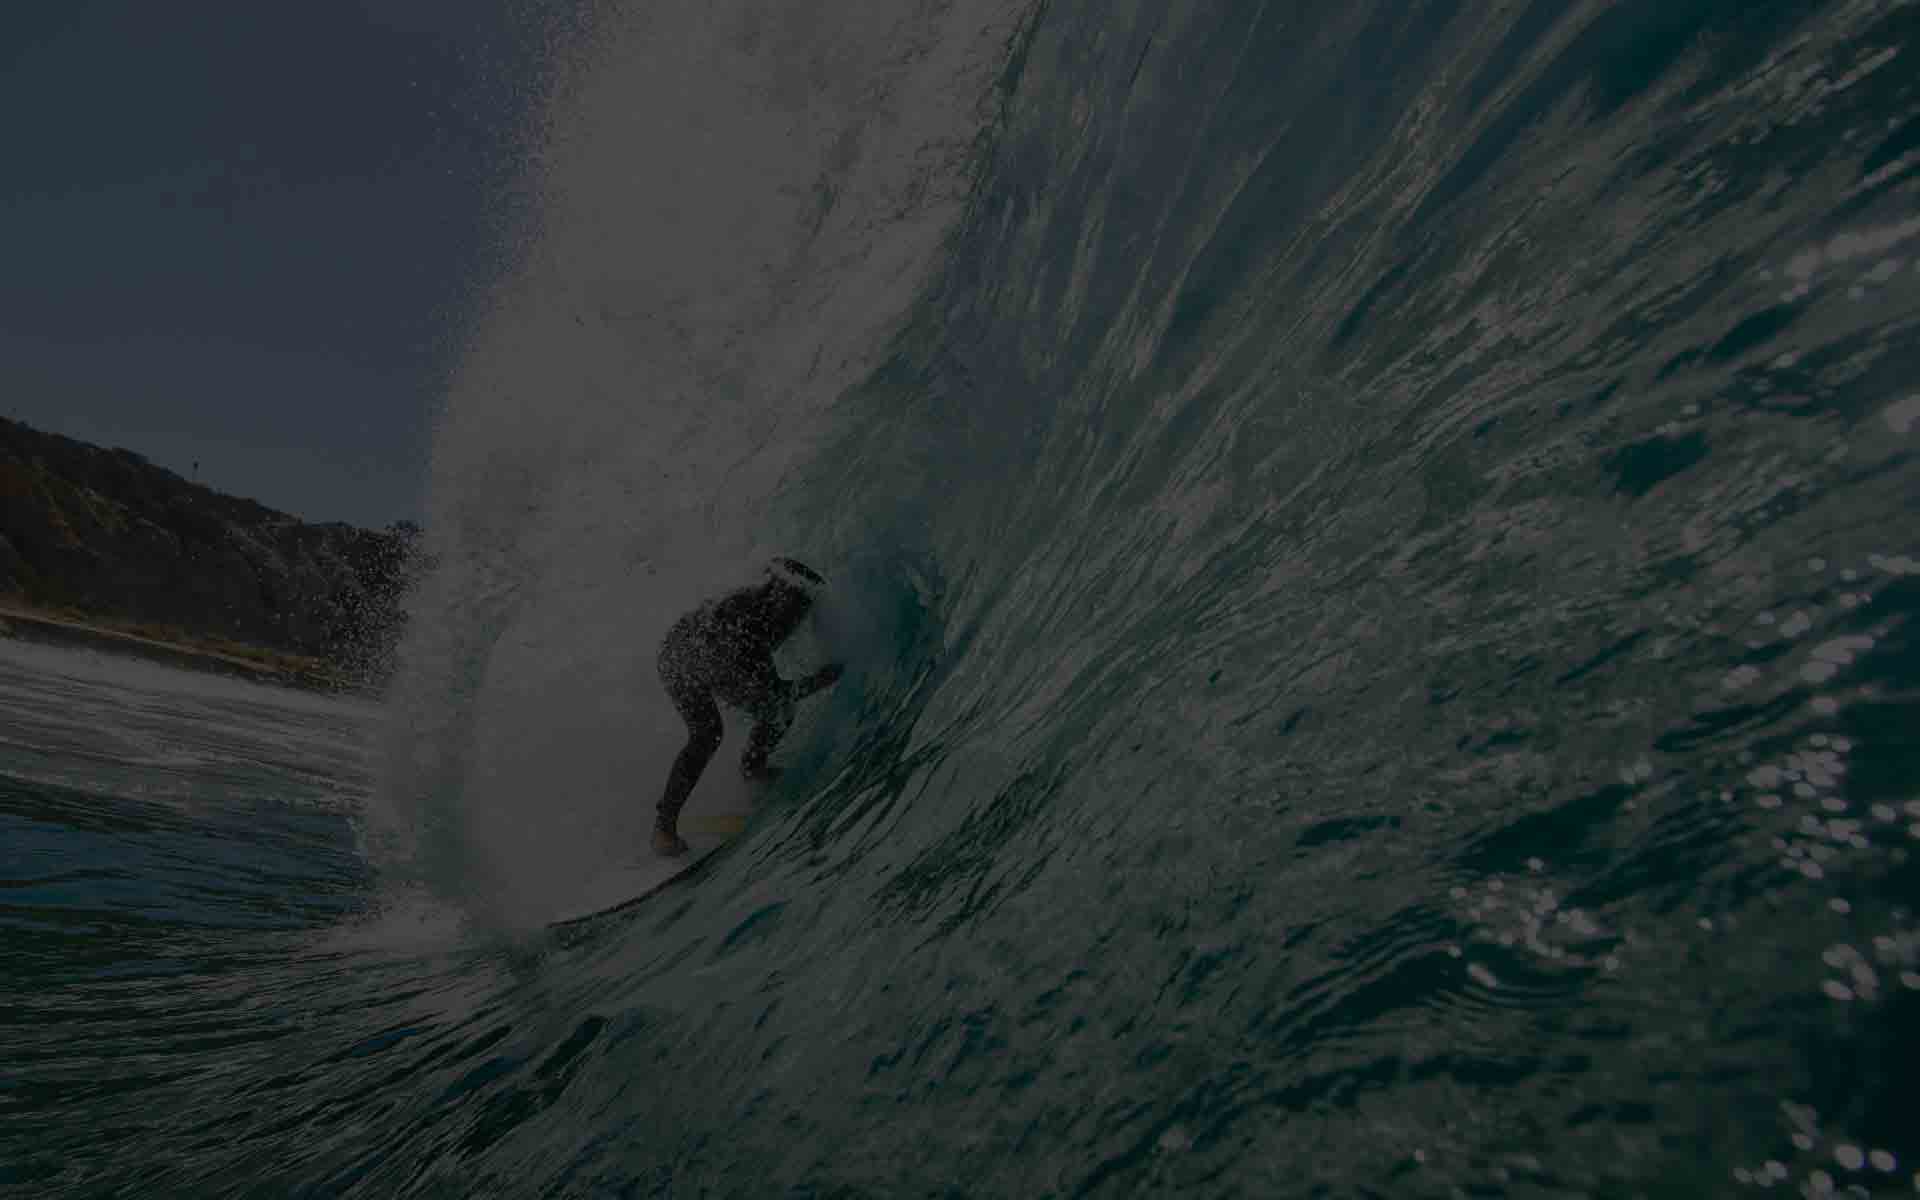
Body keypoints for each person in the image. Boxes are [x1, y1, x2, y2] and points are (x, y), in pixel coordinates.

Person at [651, 557, 843, 855]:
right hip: (681, 662)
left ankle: (753, 767)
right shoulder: (751, 626)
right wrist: (824, 678)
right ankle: (664, 828)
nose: (800, 617)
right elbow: (779, 692)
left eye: (804, 608)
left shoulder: (769, 605)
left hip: (708, 658)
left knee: (776, 712)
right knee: (707, 734)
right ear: (779, 601)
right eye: (797, 608)